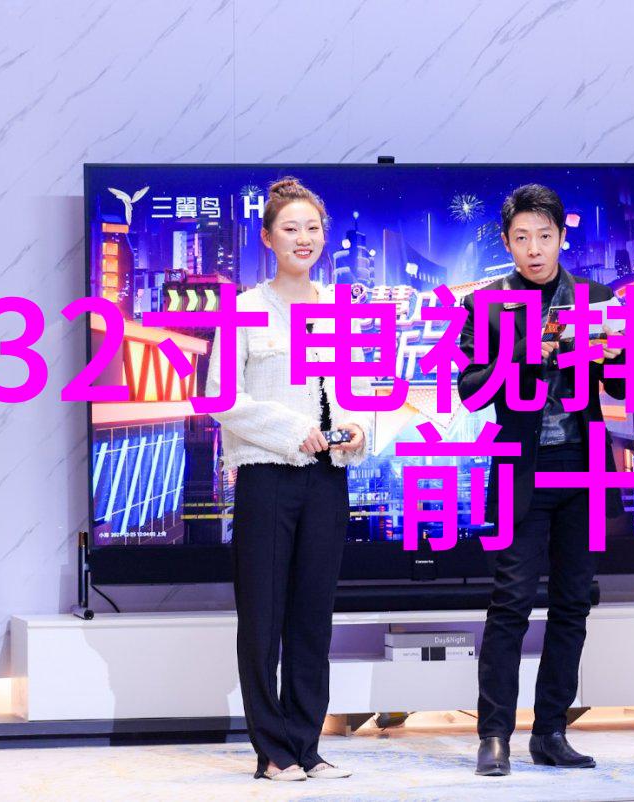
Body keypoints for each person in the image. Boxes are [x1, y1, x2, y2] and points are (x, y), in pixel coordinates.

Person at [206, 177, 373, 781]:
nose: (304, 238)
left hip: (328, 479)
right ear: (268, 238)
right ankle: (273, 751)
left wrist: (358, 431)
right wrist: (292, 429)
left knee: (312, 617)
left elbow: (359, 392)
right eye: (290, 228)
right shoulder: (245, 308)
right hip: (268, 477)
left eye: (313, 228)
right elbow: (222, 396)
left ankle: (307, 744)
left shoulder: (341, 307)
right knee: (263, 618)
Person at [459, 183, 625, 776]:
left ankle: (551, 731)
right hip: (519, 472)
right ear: (507, 243)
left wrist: (614, 360)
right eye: (522, 238)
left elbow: (625, 390)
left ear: (560, 239)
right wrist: (533, 351)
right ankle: (494, 735)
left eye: (545, 236)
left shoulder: (598, 299)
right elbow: (471, 391)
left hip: (586, 469)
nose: (534, 249)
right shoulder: (485, 305)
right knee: (509, 603)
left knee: (573, 604)